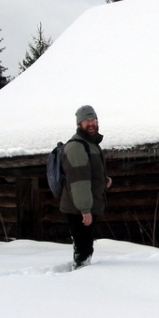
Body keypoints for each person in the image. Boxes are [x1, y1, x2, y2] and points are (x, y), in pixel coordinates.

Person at [60, 105, 112, 270]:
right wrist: (85, 209)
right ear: (79, 124)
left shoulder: (90, 144)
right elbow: (79, 180)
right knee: (84, 248)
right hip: (79, 208)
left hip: (86, 205)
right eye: (86, 120)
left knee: (85, 246)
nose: (91, 123)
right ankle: (81, 279)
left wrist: (104, 180)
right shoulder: (77, 146)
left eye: (93, 119)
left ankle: (81, 273)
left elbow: (90, 173)